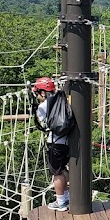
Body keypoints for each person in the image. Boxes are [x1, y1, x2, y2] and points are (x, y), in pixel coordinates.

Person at [32, 77, 71, 211]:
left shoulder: (43, 107)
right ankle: (66, 197)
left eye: (37, 93)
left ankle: (60, 201)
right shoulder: (62, 100)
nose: (37, 97)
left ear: (43, 93)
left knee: (57, 172)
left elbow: (44, 125)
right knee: (64, 169)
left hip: (55, 142)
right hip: (67, 141)